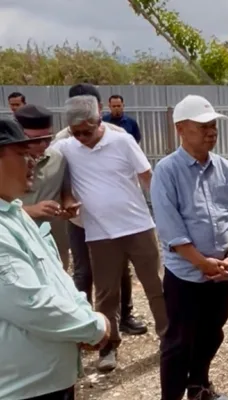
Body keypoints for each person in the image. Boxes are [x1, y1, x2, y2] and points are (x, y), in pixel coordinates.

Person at [51, 94, 168, 372]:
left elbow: (148, 178)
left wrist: (167, 214)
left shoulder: (122, 141)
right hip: (100, 234)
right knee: (106, 293)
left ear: (98, 120)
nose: (82, 138)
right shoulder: (65, 147)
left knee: (156, 285)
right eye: (76, 133)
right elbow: (54, 172)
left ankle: (169, 337)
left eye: (87, 131)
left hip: (139, 227)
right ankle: (108, 346)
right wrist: (66, 198)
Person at [0, 117, 110, 400]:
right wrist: (93, 327)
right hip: (23, 389)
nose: (32, 161)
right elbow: (30, 303)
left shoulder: (15, 213)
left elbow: (57, 278)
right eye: (22, 154)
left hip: (47, 381)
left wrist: (82, 322)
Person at [152, 94, 228, 400]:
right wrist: (201, 262)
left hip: (222, 273)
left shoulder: (225, 168)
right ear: (180, 129)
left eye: (213, 126)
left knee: (212, 333)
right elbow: (171, 229)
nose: (211, 132)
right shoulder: (167, 171)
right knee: (178, 342)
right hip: (186, 275)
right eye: (203, 126)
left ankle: (199, 387)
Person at [53, 84, 147, 336]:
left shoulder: (118, 134)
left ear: (99, 108)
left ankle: (124, 317)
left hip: (117, 221)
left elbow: (135, 171)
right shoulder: (62, 140)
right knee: (83, 272)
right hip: (80, 221)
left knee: (121, 270)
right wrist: (66, 199)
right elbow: (56, 176)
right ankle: (85, 325)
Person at [14, 105, 74, 271]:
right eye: (35, 139)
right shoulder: (5, 163)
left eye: (48, 138)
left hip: (53, 242)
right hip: (15, 239)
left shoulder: (58, 159)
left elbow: (65, 191)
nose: (43, 144)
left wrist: (68, 205)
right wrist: (30, 211)